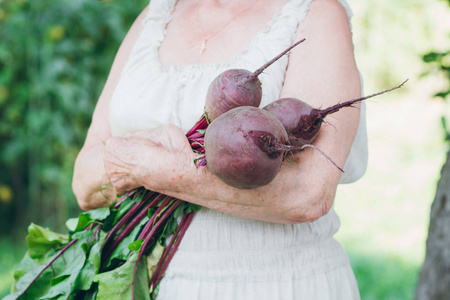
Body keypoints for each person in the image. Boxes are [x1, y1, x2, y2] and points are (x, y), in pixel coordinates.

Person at [72, 0, 368, 299]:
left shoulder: (316, 11)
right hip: (153, 284)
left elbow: (306, 195)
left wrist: (148, 166)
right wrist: (143, 154)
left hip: (273, 281)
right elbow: (84, 183)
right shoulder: (156, 14)